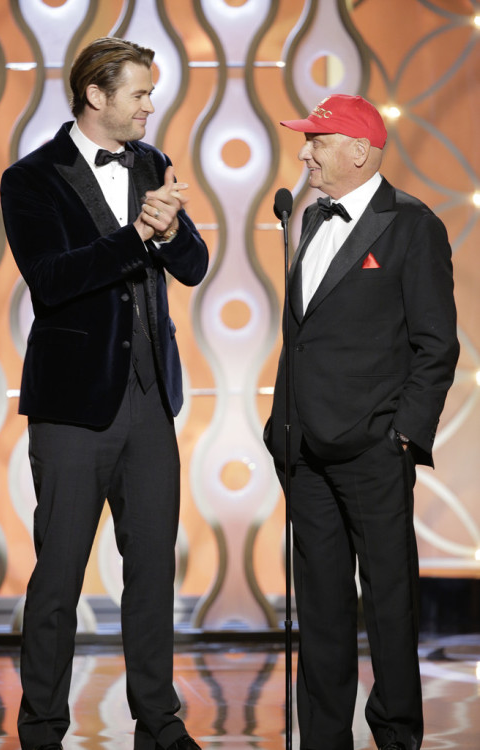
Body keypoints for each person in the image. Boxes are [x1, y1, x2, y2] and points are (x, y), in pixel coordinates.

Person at [0, 37, 208, 750]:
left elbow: (193, 264)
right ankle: (42, 729)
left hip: (152, 401)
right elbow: (53, 279)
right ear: (97, 95)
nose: (152, 105)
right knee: (57, 577)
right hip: (73, 406)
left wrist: (171, 229)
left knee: (152, 572)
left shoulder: (151, 163)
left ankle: (160, 722)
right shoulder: (31, 179)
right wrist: (136, 234)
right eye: (140, 93)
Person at [264, 94, 459, 750]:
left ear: (358, 148)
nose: (305, 152)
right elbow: (306, 335)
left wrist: (404, 433)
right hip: (304, 447)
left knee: (389, 602)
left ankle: (397, 735)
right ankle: (323, 738)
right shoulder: (308, 221)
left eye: (317, 140)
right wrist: (281, 425)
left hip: (374, 448)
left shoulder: (411, 225)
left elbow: (437, 344)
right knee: (320, 605)